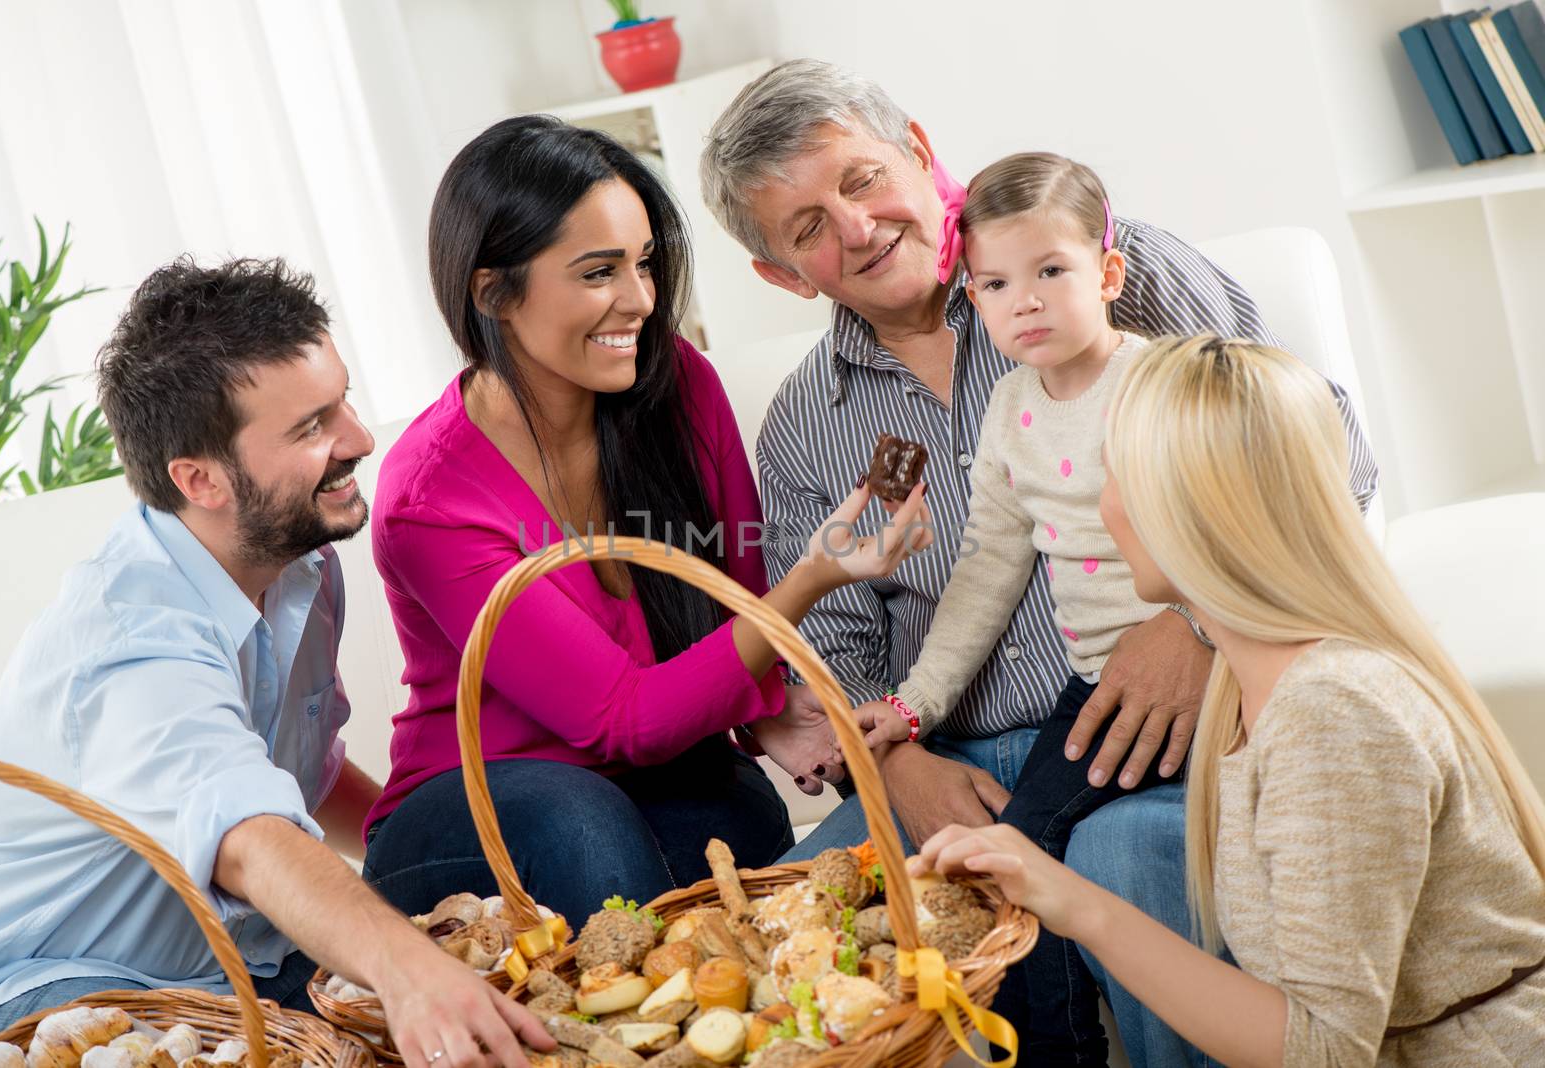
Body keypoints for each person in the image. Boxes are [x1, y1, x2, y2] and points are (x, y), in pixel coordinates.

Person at [698, 59, 1378, 1065]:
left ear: (920, 154)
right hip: (947, 760)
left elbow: (1319, 455)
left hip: (1167, 728)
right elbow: (831, 648)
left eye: (859, 179)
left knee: (1125, 853)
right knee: (778, 925)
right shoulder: (804, 422)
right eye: (804, 228)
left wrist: (1197, 626)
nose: (854, 227)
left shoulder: (1102, 265)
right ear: (782, 274)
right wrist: (897, 765)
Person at [0, 258, 555, 1068]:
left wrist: (397, 886)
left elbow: (301, 771)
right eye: (311, 427)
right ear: (200, 480)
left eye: (341, 401)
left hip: (238, 962)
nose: (360, 440)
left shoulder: (298, 561)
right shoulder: (130, 642)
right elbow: (247, 832)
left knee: (537, 853)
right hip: (31, 992)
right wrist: (408, 971)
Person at [360, 115, 932, 931]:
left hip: (642, 778)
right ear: (493, 292)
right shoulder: (432, 500)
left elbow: (732, 593)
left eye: (644, 264)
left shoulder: (677, 386)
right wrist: (817, 575)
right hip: (475, 805)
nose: (638, 300)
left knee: (731, 814)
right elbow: (621, 718)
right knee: (583, 825)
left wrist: (767, 706)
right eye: (598, 272)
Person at [913, 333, 1545, 1067]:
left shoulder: (1330, 712)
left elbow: (1322, 1051)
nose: (1100, 506)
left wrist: (1070, 899)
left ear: (1185, 505)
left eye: (1110, 475)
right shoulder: (1247, 690)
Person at [857, 151, 1183, 1064]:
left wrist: (1202, 630)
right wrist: (917, 703)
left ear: (1108, 274)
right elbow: (986, 571)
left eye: (1051, 272)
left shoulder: (1161, 382)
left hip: (1199, 669)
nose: (1025, 301)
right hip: (1093, 689)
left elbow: (1234, 522)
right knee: (1006, 861)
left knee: (1019, 854)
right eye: (996, 283)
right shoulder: (1009, 410)